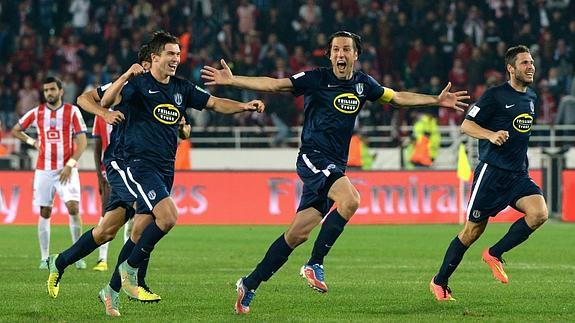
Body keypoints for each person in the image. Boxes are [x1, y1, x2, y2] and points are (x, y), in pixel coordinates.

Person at [201, 30, 469, 314]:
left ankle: (249, 283)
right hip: (313, 157)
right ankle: (314, 263)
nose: (341, 55)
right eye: (336, 50)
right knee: (351, 199)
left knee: (297, 234)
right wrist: (233, 80)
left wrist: (436, 100)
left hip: (334, 166)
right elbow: (276, 84)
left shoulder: (363, 85)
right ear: (329, 55)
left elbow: (397, 98)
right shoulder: (316, 78)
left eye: (346, 50)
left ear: (356, 55)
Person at [97, 31, 264, 317]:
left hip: (165, 168)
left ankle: (110, 291)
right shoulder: (137, 84)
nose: (176, 59)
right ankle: (129, 271)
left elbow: (213, 103)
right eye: (170, 54)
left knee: (139, 231)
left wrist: (243, 107)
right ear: (154, 58)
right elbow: (104, 101)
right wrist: (121, 82)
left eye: (178, 54)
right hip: (138, 163)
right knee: (169, 216)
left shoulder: (182, 88)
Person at [46, 45, 174, 309]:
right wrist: (105, 112)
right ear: (145, 64)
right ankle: (127, 283)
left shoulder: (159, 93)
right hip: (121, 164)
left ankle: (59, 261)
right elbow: (84, 99)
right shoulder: (125, 86)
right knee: (149, 215)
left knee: (106, 231)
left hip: (135, 167)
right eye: (150, 65)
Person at [429, 45, 548, 301]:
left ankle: (494, 253)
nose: (531, 67)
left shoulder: (531, 97)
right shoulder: (494, 96)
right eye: (524, 63)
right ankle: (440, 281)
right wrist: (491, 135)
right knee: (471, 232)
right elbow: (466, 125)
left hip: (517, 174)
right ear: (511, 68)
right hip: (491, 174)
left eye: (531, 62)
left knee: (539, 213)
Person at [11, 76, 88, 270]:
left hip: (67, 169)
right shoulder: (37, 113)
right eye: (46, 91)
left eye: (52, 89)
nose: (49, 93)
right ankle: (44, 257)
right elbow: (16, 130)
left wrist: (70, 165)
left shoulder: (72, 112)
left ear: (61, 91)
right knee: (44, 211)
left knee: (73, 208)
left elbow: (82, 142)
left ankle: (77, 255)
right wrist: (33, 142)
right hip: (44, 170)